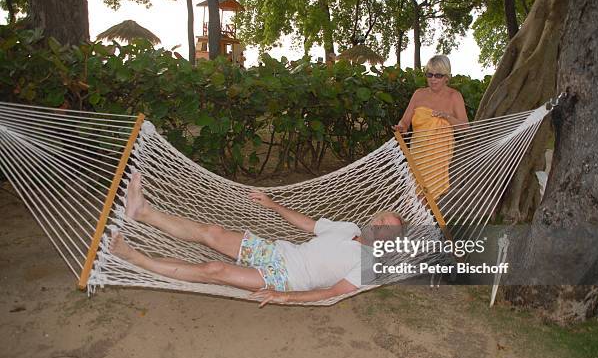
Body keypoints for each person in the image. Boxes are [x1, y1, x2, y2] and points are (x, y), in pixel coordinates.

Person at [110, 173, 403, 307]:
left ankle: (135, 258)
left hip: (286, 277)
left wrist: (285, 296)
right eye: (380, 220)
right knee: (213, 232)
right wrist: (272, 205)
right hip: (278, 251)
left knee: (215, 271)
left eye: (386, 229)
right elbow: (310, 224)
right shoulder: (347, 227)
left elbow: (331, 292)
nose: (379, 226)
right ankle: (143, 212)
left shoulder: (369, 266)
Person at [392, 55, 469, 200]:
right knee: (414, 197)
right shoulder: (419, 94)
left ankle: (424, 221)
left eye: (438, 75)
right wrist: (400, 127)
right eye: (429, 74)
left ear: (446, 77)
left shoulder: (454, 97)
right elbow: (405, 122)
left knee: (430, 199)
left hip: (439, 157)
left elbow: (465, 128)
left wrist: (446, 117)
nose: (433, 79)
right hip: (418, 154)